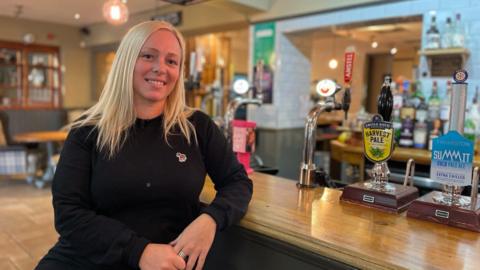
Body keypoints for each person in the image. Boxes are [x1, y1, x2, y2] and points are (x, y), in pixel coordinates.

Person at [35, 21, 253, 270]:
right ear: (126, 61)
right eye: (148, 56)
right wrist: (139, 251)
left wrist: (211, 219)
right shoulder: (87, 131)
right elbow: (68, 214)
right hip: (87, 259)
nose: (161, 68)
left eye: (172, 61)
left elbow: (238, 181)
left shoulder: (196, 127)